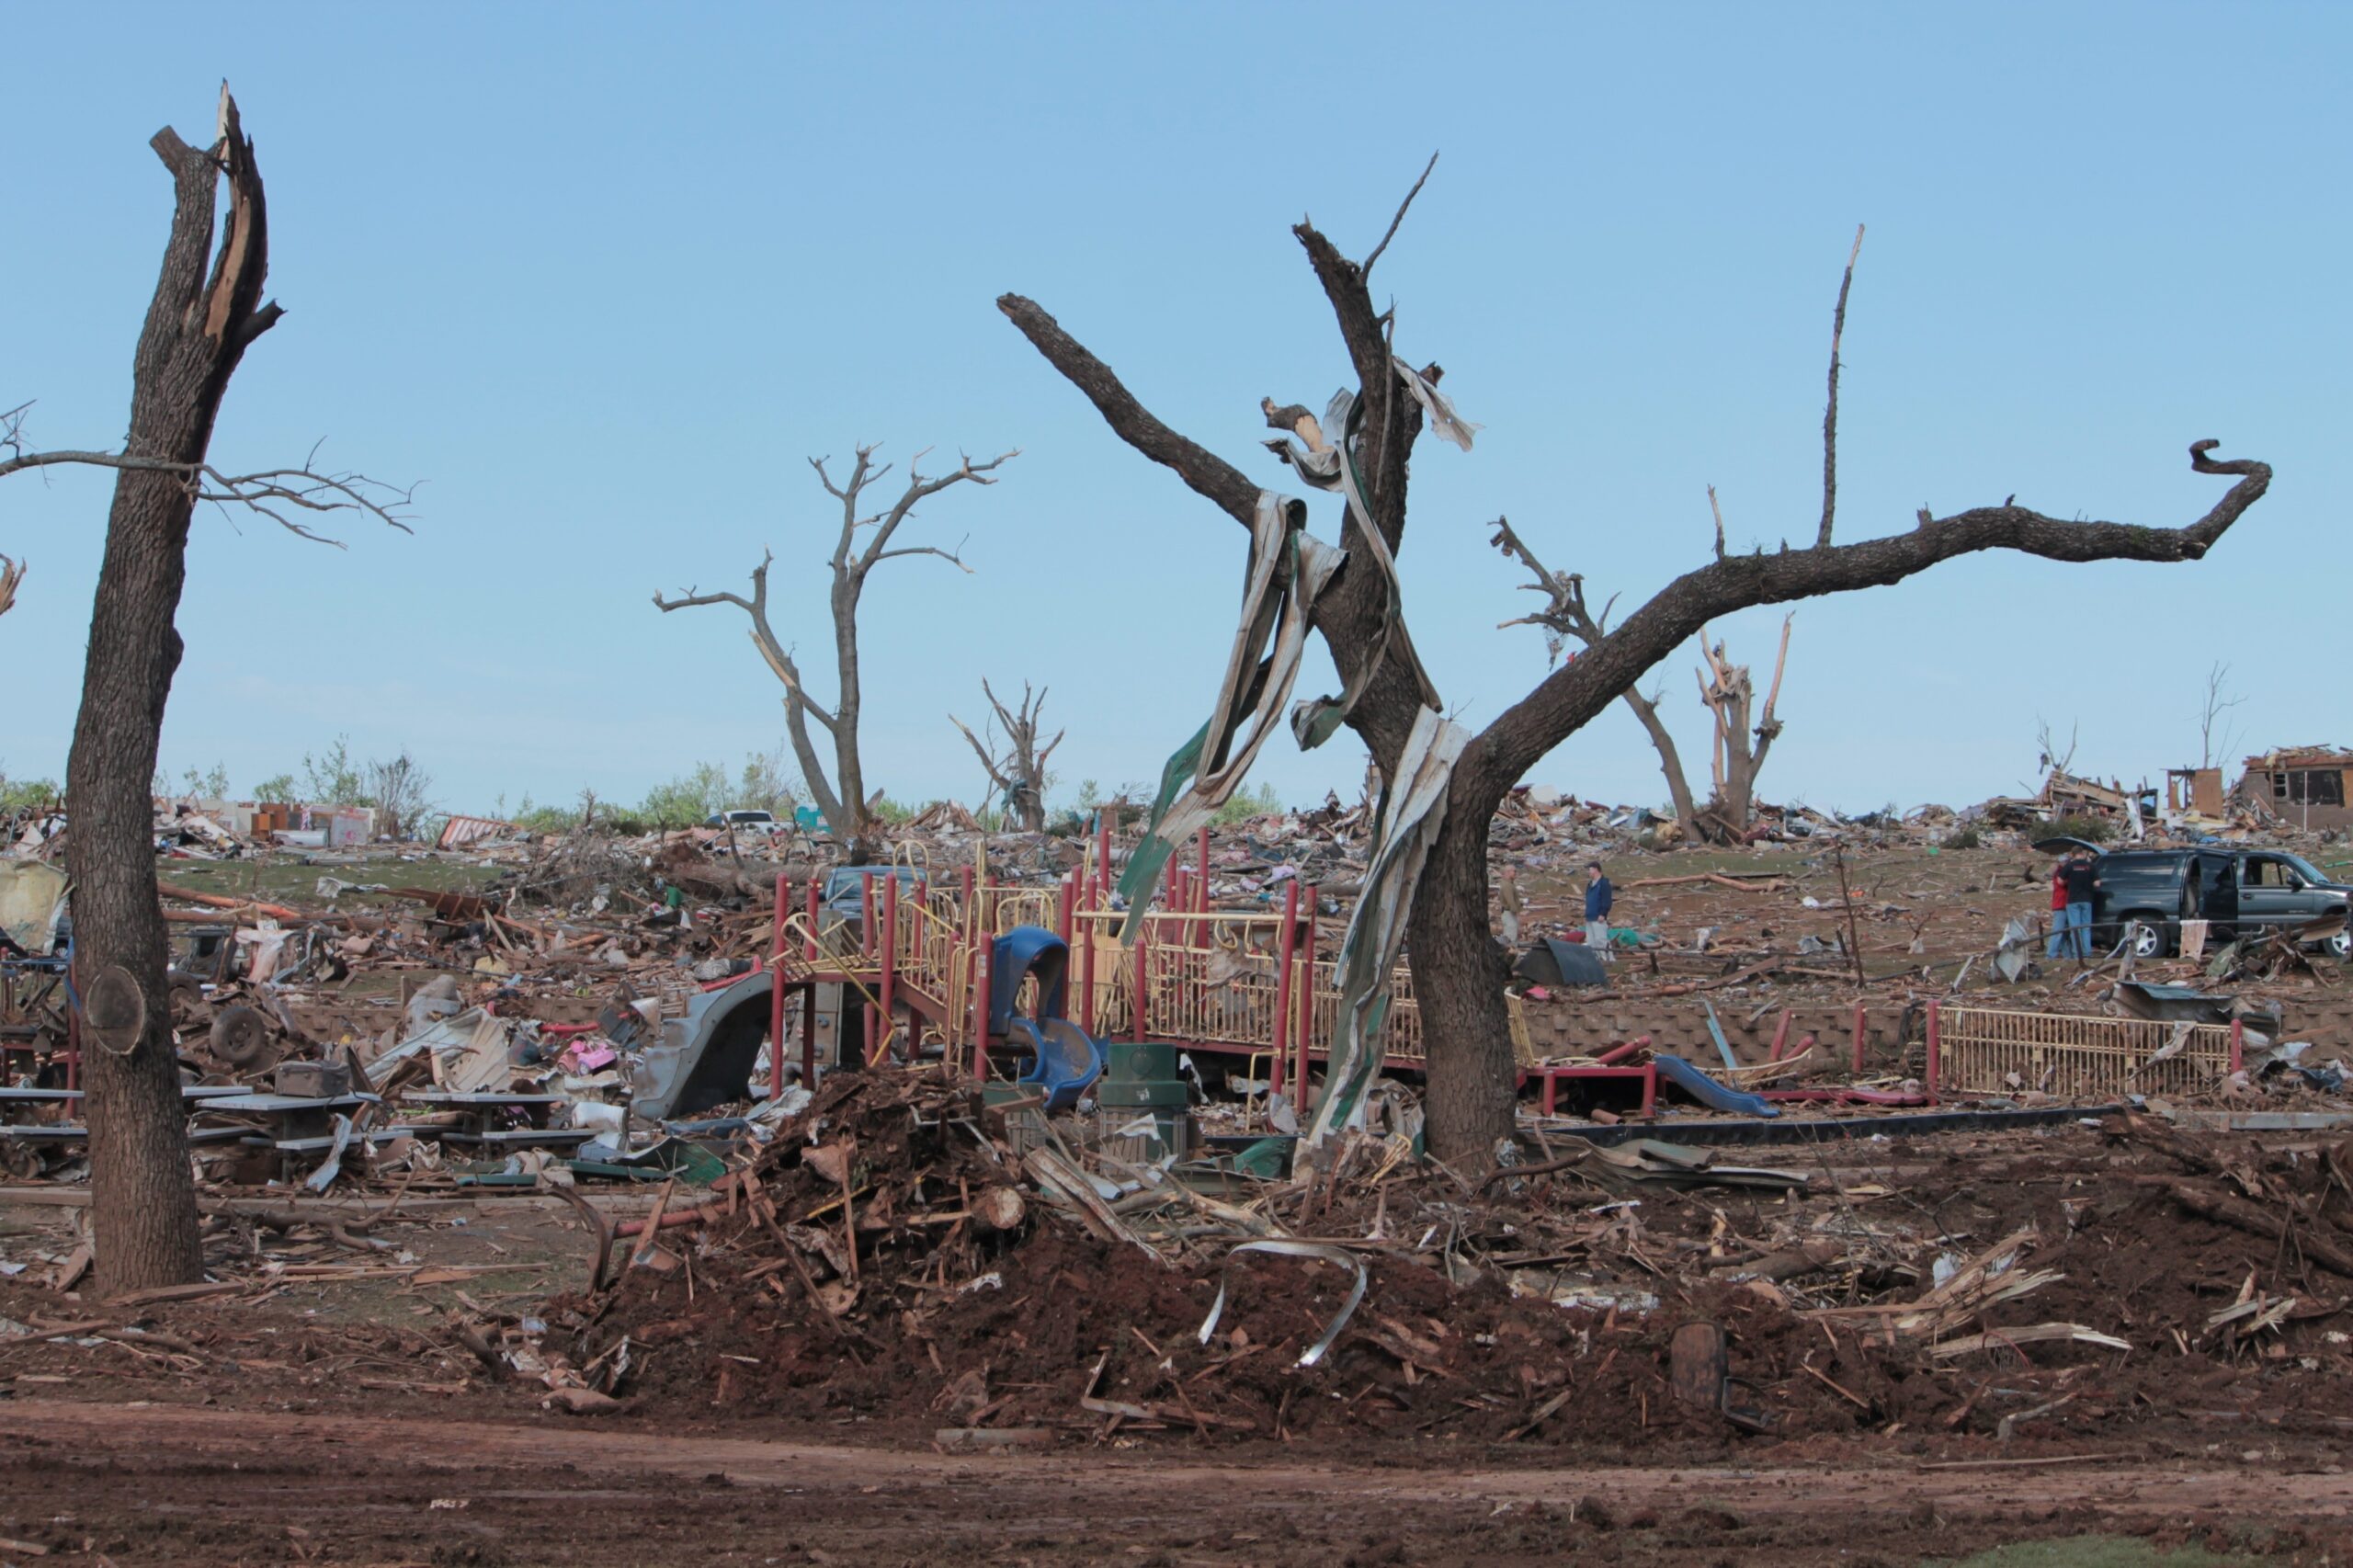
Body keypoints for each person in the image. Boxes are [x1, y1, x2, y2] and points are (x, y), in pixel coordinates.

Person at [2063, 848, 2098, 960]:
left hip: (2073, 900)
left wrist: (2069, 882)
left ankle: (2077, 953)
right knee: (2086, 927)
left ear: (2072, 854)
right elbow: (2097, 883)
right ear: (2082, 854)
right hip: (2087, 900)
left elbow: (2060, 881)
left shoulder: (2069, 866)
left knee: (2075, 928)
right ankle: (2087, 952)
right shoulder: (2090, 866)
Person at [2044, 856, 2073, 960]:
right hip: (2061, 904)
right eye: (2066, 861)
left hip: (2063, 904)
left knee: (2063, 932)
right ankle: (2050, 954)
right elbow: (2063, 884)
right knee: (2057, 931)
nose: (2068, 863)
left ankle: (2067, 954)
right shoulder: (2060, 873)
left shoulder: (2062, 872)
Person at [1584, 861, 1614, 957]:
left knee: (1600, 939)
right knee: (1591, 941)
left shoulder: (1604, 883)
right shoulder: (1590, 884)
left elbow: (1607, 900)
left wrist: (1603, 913)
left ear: (1595, 869)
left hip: (1598, 916)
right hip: (1590, 916)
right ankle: (1596, 959)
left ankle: (1607, 959)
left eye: (1589, 869)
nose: (1588, 872)